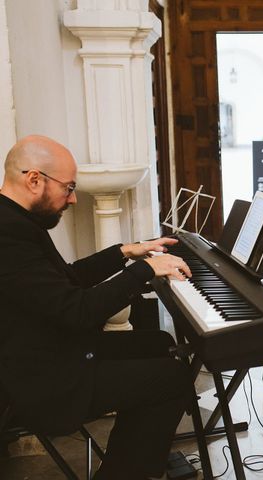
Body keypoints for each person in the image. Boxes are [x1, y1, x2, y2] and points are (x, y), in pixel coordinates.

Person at [0, 135, 195, 479]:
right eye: (69, 187)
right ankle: (127, 470)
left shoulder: (17, 219)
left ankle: (137, 458)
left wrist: (126, 251)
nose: (72, 199)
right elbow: (79, 311)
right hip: (44, 381)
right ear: (34, 180)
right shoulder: (8, 233)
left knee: (158, 343)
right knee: (173, 376)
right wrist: (145, 270)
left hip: (51, 352)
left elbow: (67, 279)